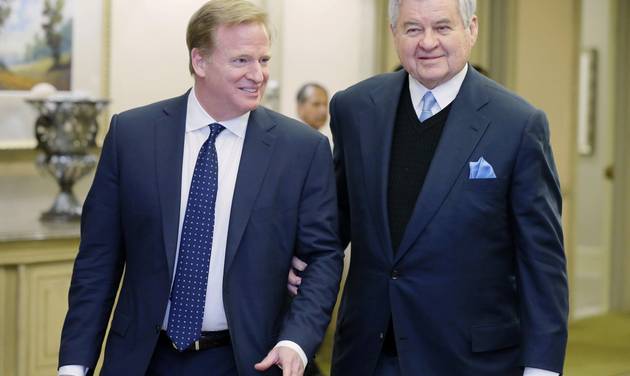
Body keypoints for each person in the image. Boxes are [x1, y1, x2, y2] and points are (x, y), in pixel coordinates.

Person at [58, 1, 342, 375]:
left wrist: (296, 340)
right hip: (143, 359)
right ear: (200, 61)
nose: (258, 75)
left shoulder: (302, 150)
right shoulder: (132, 137)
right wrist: (74, 365)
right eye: (242, 60)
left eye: (264, 60)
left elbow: (323, 257)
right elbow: (97, 262)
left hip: (249, 360)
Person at [290, 0, 568, 375]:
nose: (428, 42)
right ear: (394, 34)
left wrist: (542, 367)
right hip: (367, 354)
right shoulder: (355, 109)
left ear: (471, 29)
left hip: (469, 360)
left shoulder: (517, 124)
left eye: (443, 27)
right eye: (413, 29)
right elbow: (335, 220)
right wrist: (299, 263)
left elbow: (542, 261)